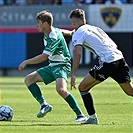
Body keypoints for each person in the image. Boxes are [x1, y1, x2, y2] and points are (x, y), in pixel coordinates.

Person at [62, 9, 133, 124]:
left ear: (74, 23)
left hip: (108, 61)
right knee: (130, 91)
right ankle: (92, 118)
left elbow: (77, 53)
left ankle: (93, 118)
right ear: (84, 20)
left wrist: (73, 73)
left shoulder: (79, 32)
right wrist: (65, 32)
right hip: (119, 58)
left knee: (83, 87)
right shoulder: (93, 28)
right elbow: (74, 33)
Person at [18, 10, 87, 122]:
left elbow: (44, 57)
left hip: (62, 65)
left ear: (45, 24)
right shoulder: (51, 30)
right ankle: (44, 105)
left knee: (61, 90)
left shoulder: (53, 37)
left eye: (38, 23)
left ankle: (80, 115)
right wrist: (70, 33)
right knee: (29, 79)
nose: (36, 25)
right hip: (53, 65)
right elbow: (61, 31)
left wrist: (26, 62)